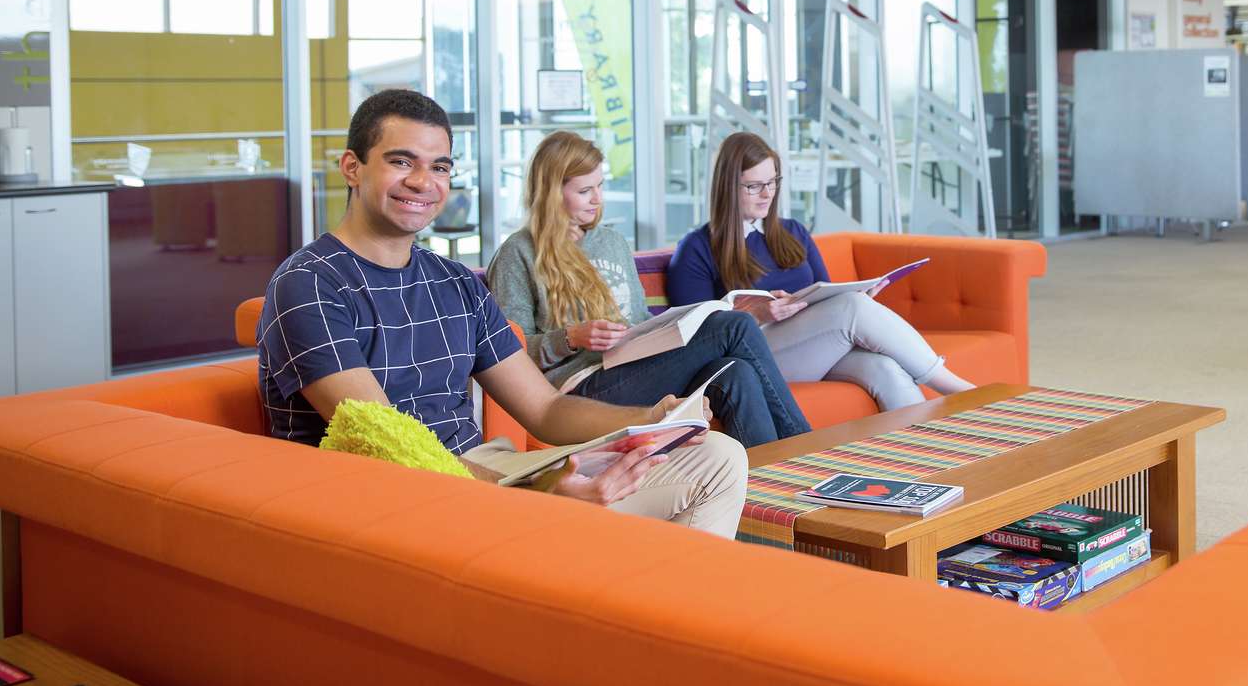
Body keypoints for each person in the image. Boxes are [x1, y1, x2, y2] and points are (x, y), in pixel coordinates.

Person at [257, 90, 746, 536]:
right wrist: (535, 495)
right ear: (351, 167)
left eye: (440, 167)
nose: (423, 182)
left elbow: (546, 409)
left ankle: (662, 620)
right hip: (390, 497)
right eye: (401, 161)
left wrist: (653, 418)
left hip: (487, 473)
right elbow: (381, 441)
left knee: (718, 456)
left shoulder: (452, 283)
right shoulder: (310, 282)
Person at [486, 131, 810, 448]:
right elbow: (507, 355)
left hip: (632, 369)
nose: (598, 199)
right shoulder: (518, 253)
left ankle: (765, 487)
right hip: (579, 389)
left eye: (600, 186)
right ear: (552, 193)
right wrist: (571, 337)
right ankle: (805, 448)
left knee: (735, 374)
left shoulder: (611, 242)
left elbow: (639, 318)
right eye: (585, 190)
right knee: (736, 325)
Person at [666, 131, 977, 412]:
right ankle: (954, 387)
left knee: (885, 369)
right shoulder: (697, 248)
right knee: (853, 307)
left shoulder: (793, 232)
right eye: (754, 186)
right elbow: (694, 338)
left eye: (773, 182)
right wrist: (757, 315)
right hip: (752, 356)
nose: (767, 193)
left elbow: (827, 295)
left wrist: (859, 294)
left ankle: (923, 462)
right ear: (727, 187)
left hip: (810, 348)